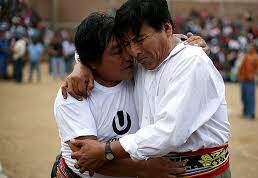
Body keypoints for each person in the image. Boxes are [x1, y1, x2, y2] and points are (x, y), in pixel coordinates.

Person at [65, 0, 231, 177]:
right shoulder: (144, 60)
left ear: (167, 29)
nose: (133, 51)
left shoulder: (191, 61)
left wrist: (106, 150)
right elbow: (97, 46)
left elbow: (170, 132)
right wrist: (82, 65)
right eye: (127, 43)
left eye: (139, 40)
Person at [52, 12, 185, 178]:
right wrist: (145, 169)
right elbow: (87, 158)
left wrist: (190, 44)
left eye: (126, 45)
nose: (129, 55)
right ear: (92, 62)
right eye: (117, 51)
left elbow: (164, 41)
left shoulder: (137, 71)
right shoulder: (74, 94)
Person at [238, 44, 258, 119]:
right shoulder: (246, 56)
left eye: (251, 47)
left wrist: (254, 74)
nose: (249, 48)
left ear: (254, 48)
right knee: (244, 96)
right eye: (249, 47)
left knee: (250, 97)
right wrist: (240, 75)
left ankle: (251, 113)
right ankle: (245, 112)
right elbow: (241, 67)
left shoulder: (256, 57)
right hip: (243, 79)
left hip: (250, 81)